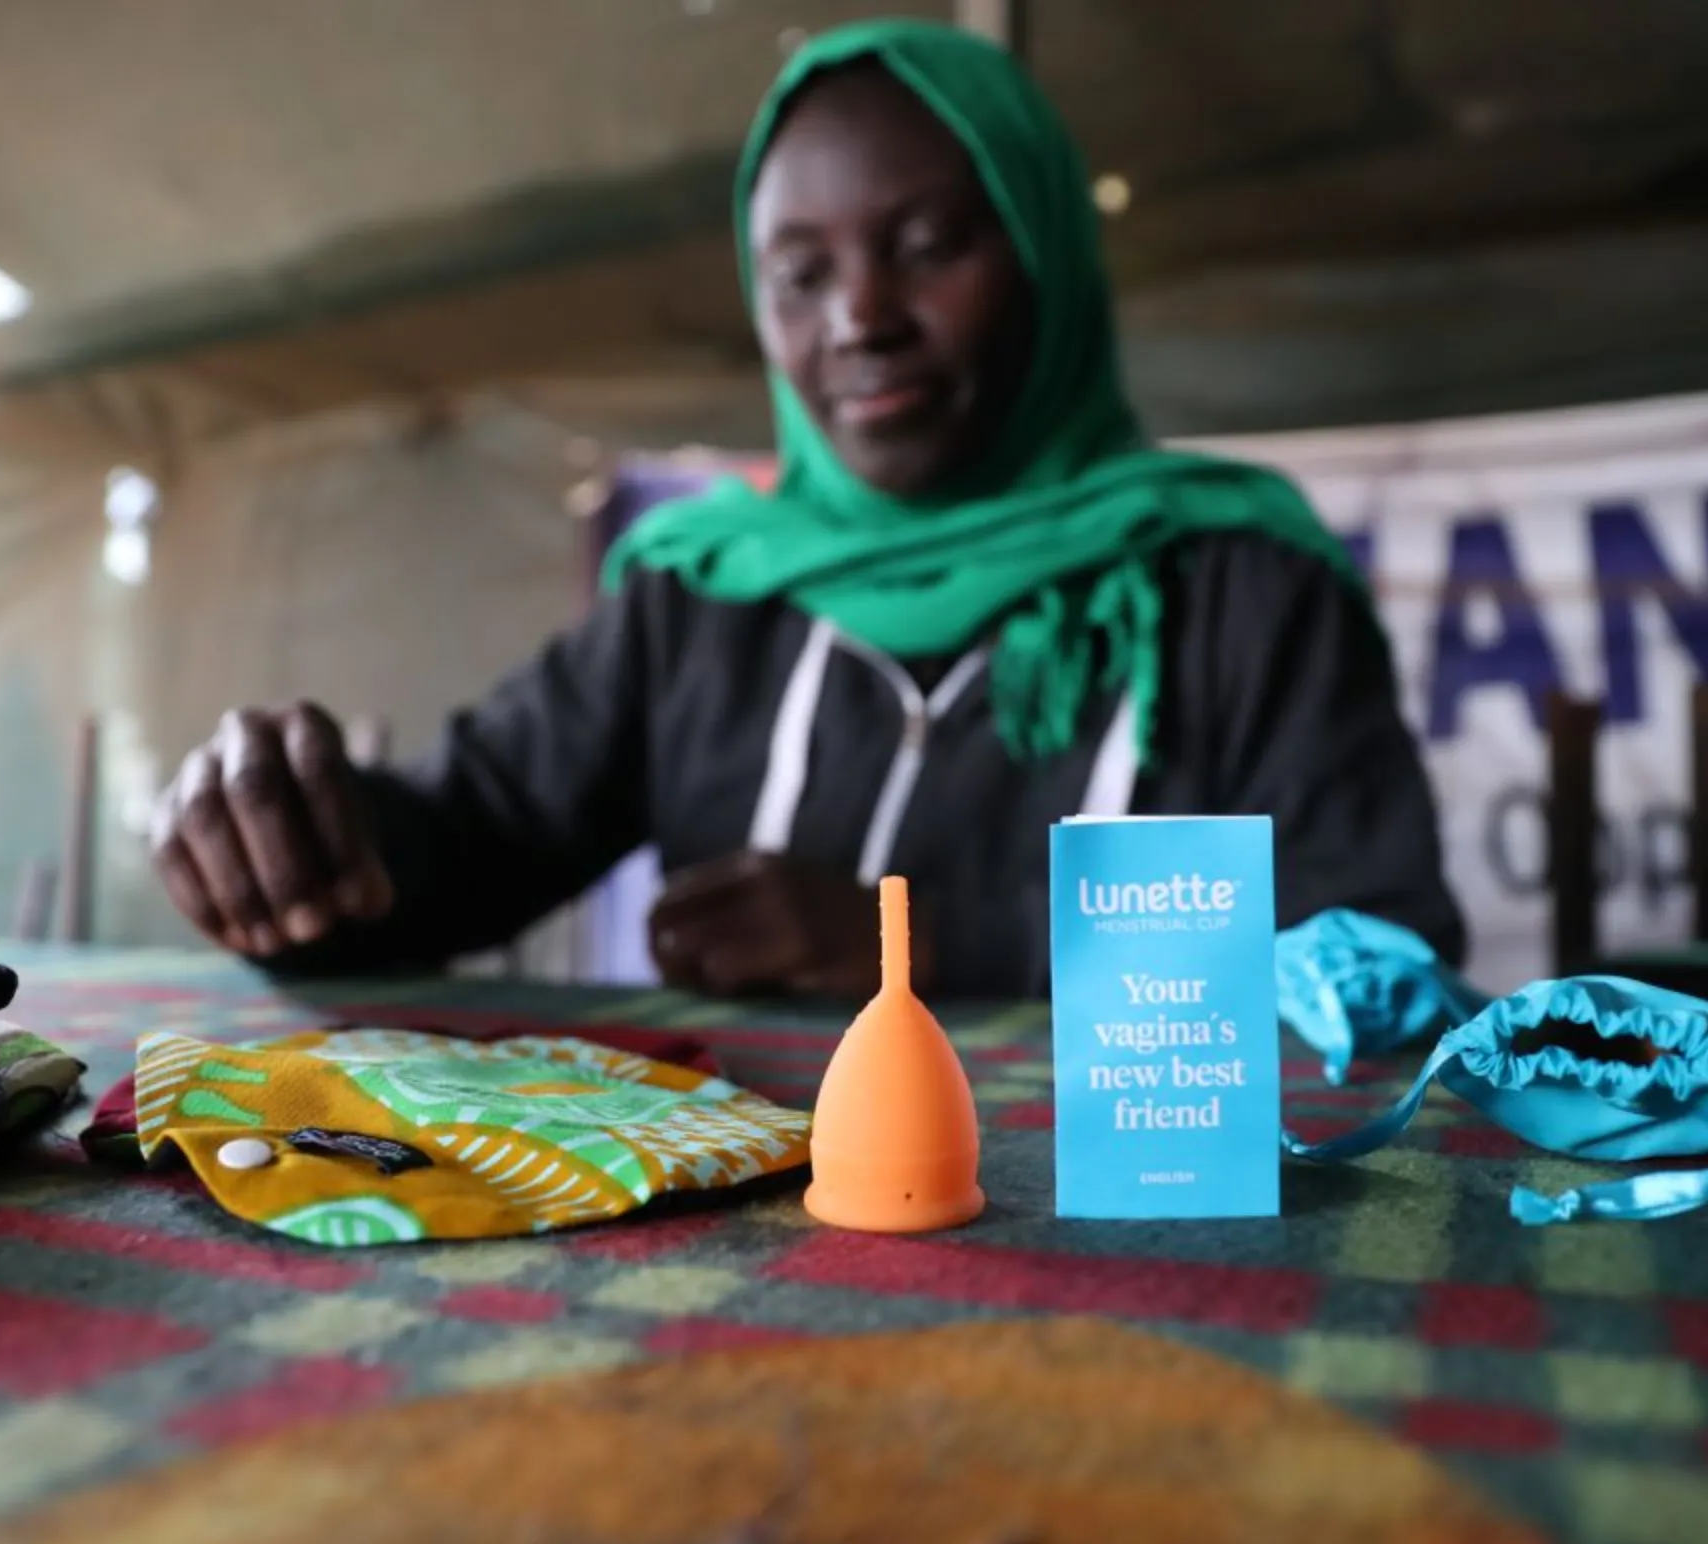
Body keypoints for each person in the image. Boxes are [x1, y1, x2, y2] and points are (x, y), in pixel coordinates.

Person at [148, 18, 1465, 1002]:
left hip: (1140, 1256)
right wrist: (306, 840)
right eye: (798, 274)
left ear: (1048, 255)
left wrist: (928, 936)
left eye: (928, 246)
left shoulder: (1234, 581)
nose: (861, 323)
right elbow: (475, 834)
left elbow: (1379, 941)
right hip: (752, 1261)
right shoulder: (706, 594)